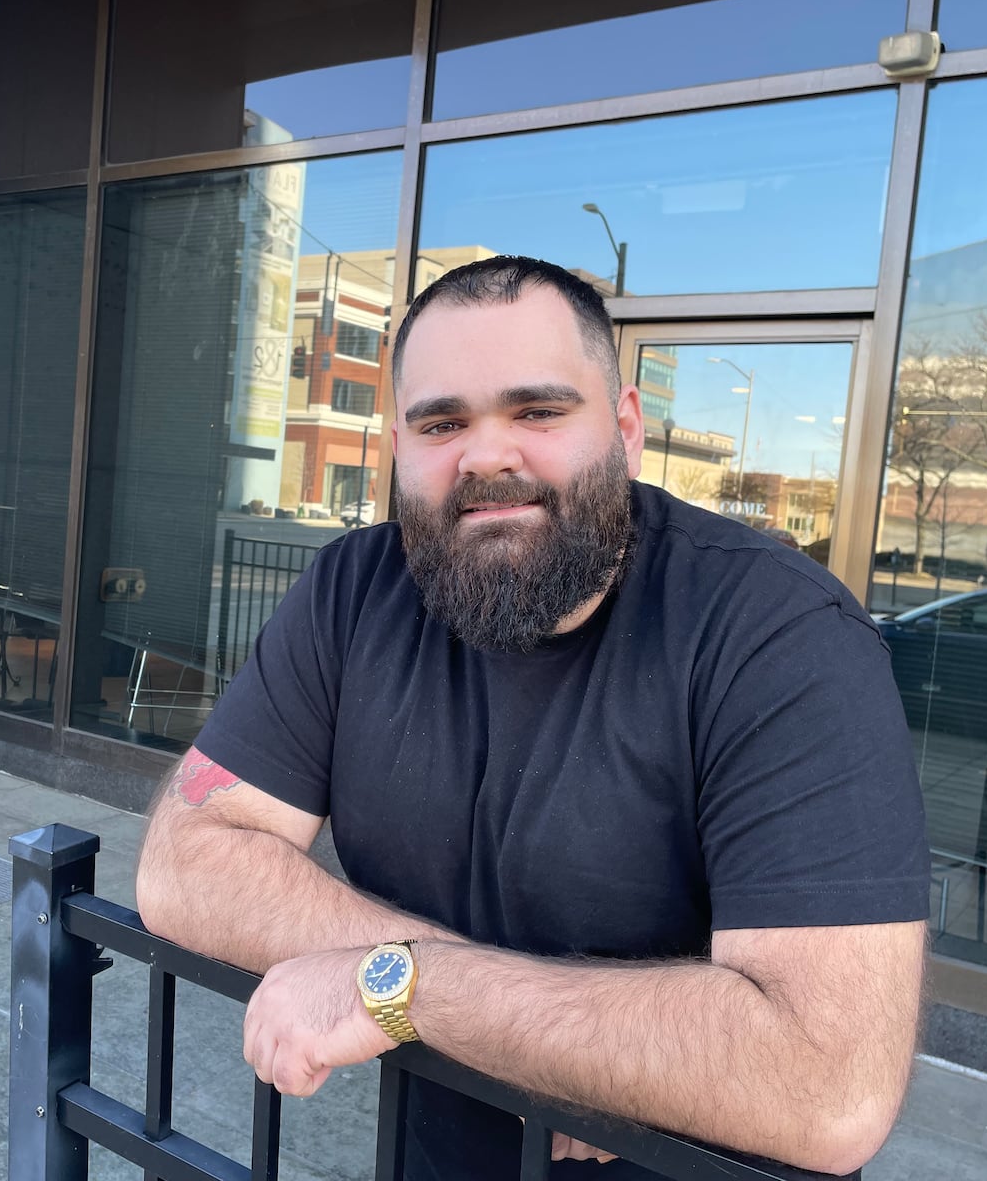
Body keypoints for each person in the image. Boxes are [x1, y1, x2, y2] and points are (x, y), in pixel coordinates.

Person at [137, 256, 930, 1178]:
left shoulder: (779, 636)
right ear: (401, 444)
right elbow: (185, 862)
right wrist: (572, 1038)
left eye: (538, 411)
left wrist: (405, 988)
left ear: (626, 430)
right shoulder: (356, 591)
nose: (486, 456)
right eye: (443, 422)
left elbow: (827, 1084)